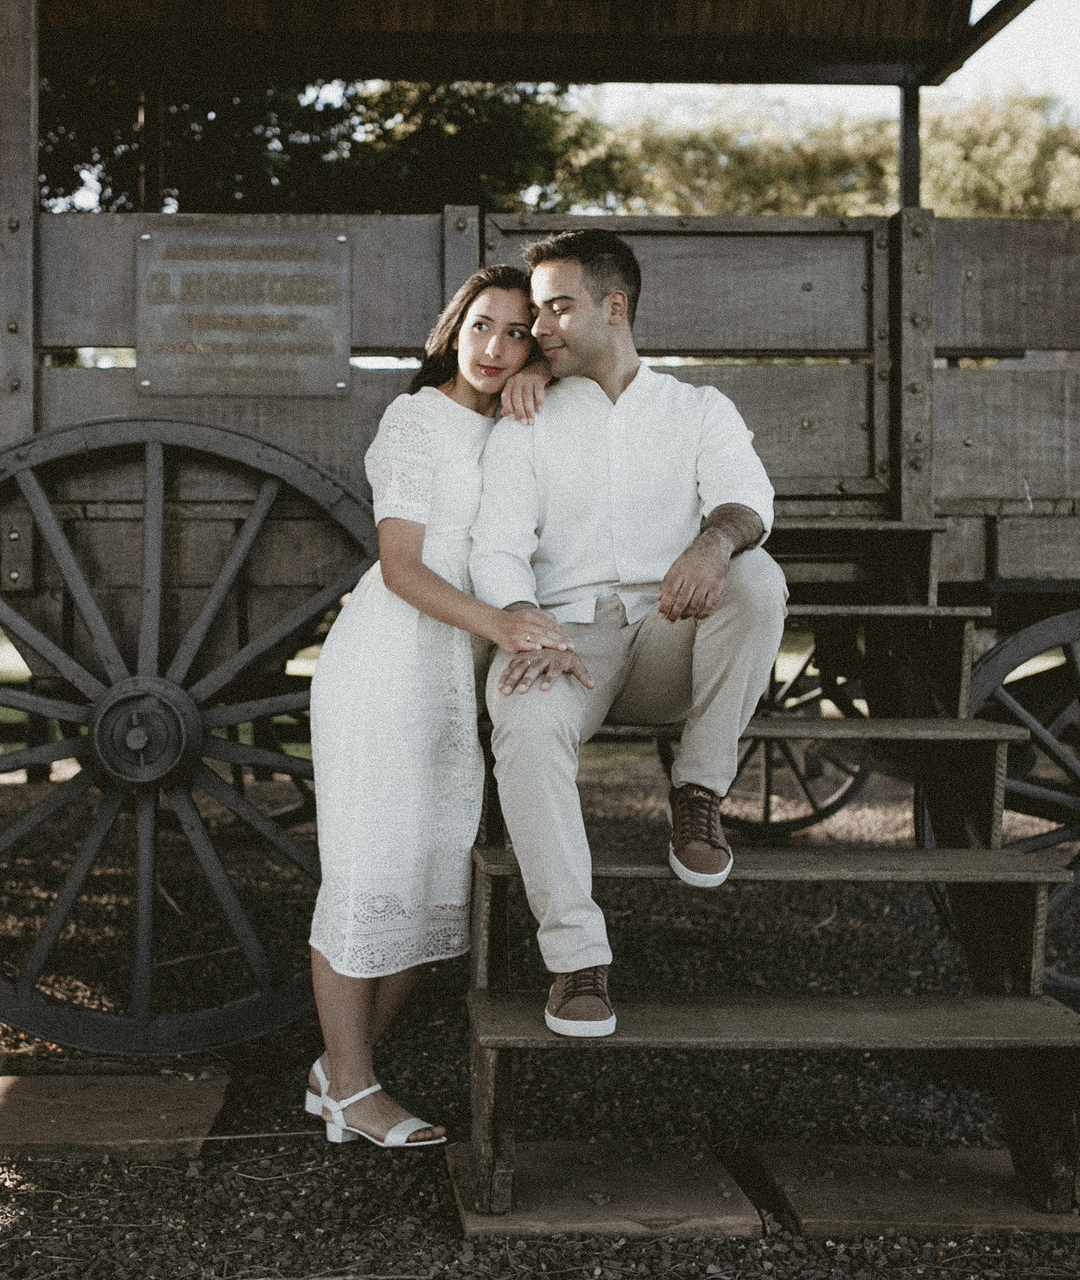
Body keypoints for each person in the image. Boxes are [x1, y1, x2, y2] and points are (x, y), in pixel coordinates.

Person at [470, 228, 789, 1039]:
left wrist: (711, 546)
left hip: (668, 638)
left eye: (558, 308)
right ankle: (577, 959)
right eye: (537, 311)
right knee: (524, 724)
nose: (539, 327)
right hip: (564, 638)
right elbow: (496, 544)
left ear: (614, 308)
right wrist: (524, 620)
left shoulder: (697, 410)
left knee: (757, 575)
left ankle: (698, 792)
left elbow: (748, 499)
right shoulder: (528, 417)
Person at [305, 265, 571, 1146]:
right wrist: (503, 624)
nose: (495, 348)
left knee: (430, 893)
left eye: (518, 334)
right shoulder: (414, 421)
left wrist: (544, 374)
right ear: (453, 330)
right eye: (482, 326)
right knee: (367, 877)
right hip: (384, 668)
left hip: (450, 682)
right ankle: (354, 1089)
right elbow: (401, 568)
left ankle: (337, 1072)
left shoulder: (518, 421)